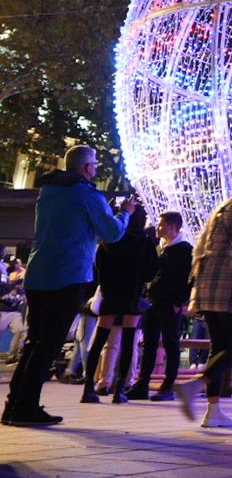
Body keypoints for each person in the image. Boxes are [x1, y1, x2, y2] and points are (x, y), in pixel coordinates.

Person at [2, 145, 132, 427]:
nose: (96, 169)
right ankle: (25, 407)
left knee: (34, 342)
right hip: (68, 275)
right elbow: (111, 233)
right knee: (47, 344)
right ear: (86, 168)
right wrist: (125, 213)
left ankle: (14, 405)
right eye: (95, 165)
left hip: (38, 276)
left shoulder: (47, 194)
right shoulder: (87, 195)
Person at [175, 166, 232, 426]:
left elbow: (200, 247)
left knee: (220, 346)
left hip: (207, 285)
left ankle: (213, 412)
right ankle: (196, 384)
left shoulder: (221, 208)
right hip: (231, 287)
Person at [80, 205, 155, 405]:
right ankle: (120, 389)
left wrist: (106, 287)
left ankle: (89, 386)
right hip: (132, 295)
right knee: (128, 341)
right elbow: (150, 272)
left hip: (110, 293)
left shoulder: (110, 241)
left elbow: (98, 269)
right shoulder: (144, 242)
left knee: (101, 340)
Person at [129, 211, 193, 401]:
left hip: (169, 303)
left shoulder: (184, 250)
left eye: (161, 224)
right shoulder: (161, 248)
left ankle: (167, 387)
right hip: (153, 302)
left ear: (172, 227)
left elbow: (188, 279)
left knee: (171, 344)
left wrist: (178, 301)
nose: (157, 228)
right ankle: (142, 384)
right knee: (149, 343)